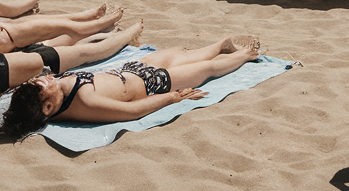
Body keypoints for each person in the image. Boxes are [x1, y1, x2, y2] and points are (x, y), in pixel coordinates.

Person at [2, 35, 261, 139]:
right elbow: (132, 112)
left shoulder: (56, 92)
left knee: (185, 53)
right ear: (48, 107)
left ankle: (221, 45)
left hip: (134, 68)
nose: (44, 78)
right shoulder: (85, 103)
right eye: (41, 86)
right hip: (155, 83)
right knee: (208, 69)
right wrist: (171, 99)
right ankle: (246, 55)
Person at [0, 20, 144, 94]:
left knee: (79, 51)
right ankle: (125, 35)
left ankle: (114, 34)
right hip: (12, 65)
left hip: (14, 64)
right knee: (83, 52)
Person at [0, 3, 125, 56]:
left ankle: (82, 17)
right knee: (61, 27)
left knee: (30, 21)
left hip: (7, 34)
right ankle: (97, 24)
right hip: (7, 40)